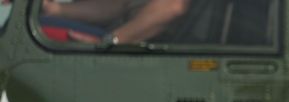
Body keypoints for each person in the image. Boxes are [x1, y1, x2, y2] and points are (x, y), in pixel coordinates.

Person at [41, 0, 190, 44]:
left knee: (41, 31)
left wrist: (109, 41)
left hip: (152, 51)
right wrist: (56, 9)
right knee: (43, 21)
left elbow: (173, 6)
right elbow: (119, 5)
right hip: (117, 41)